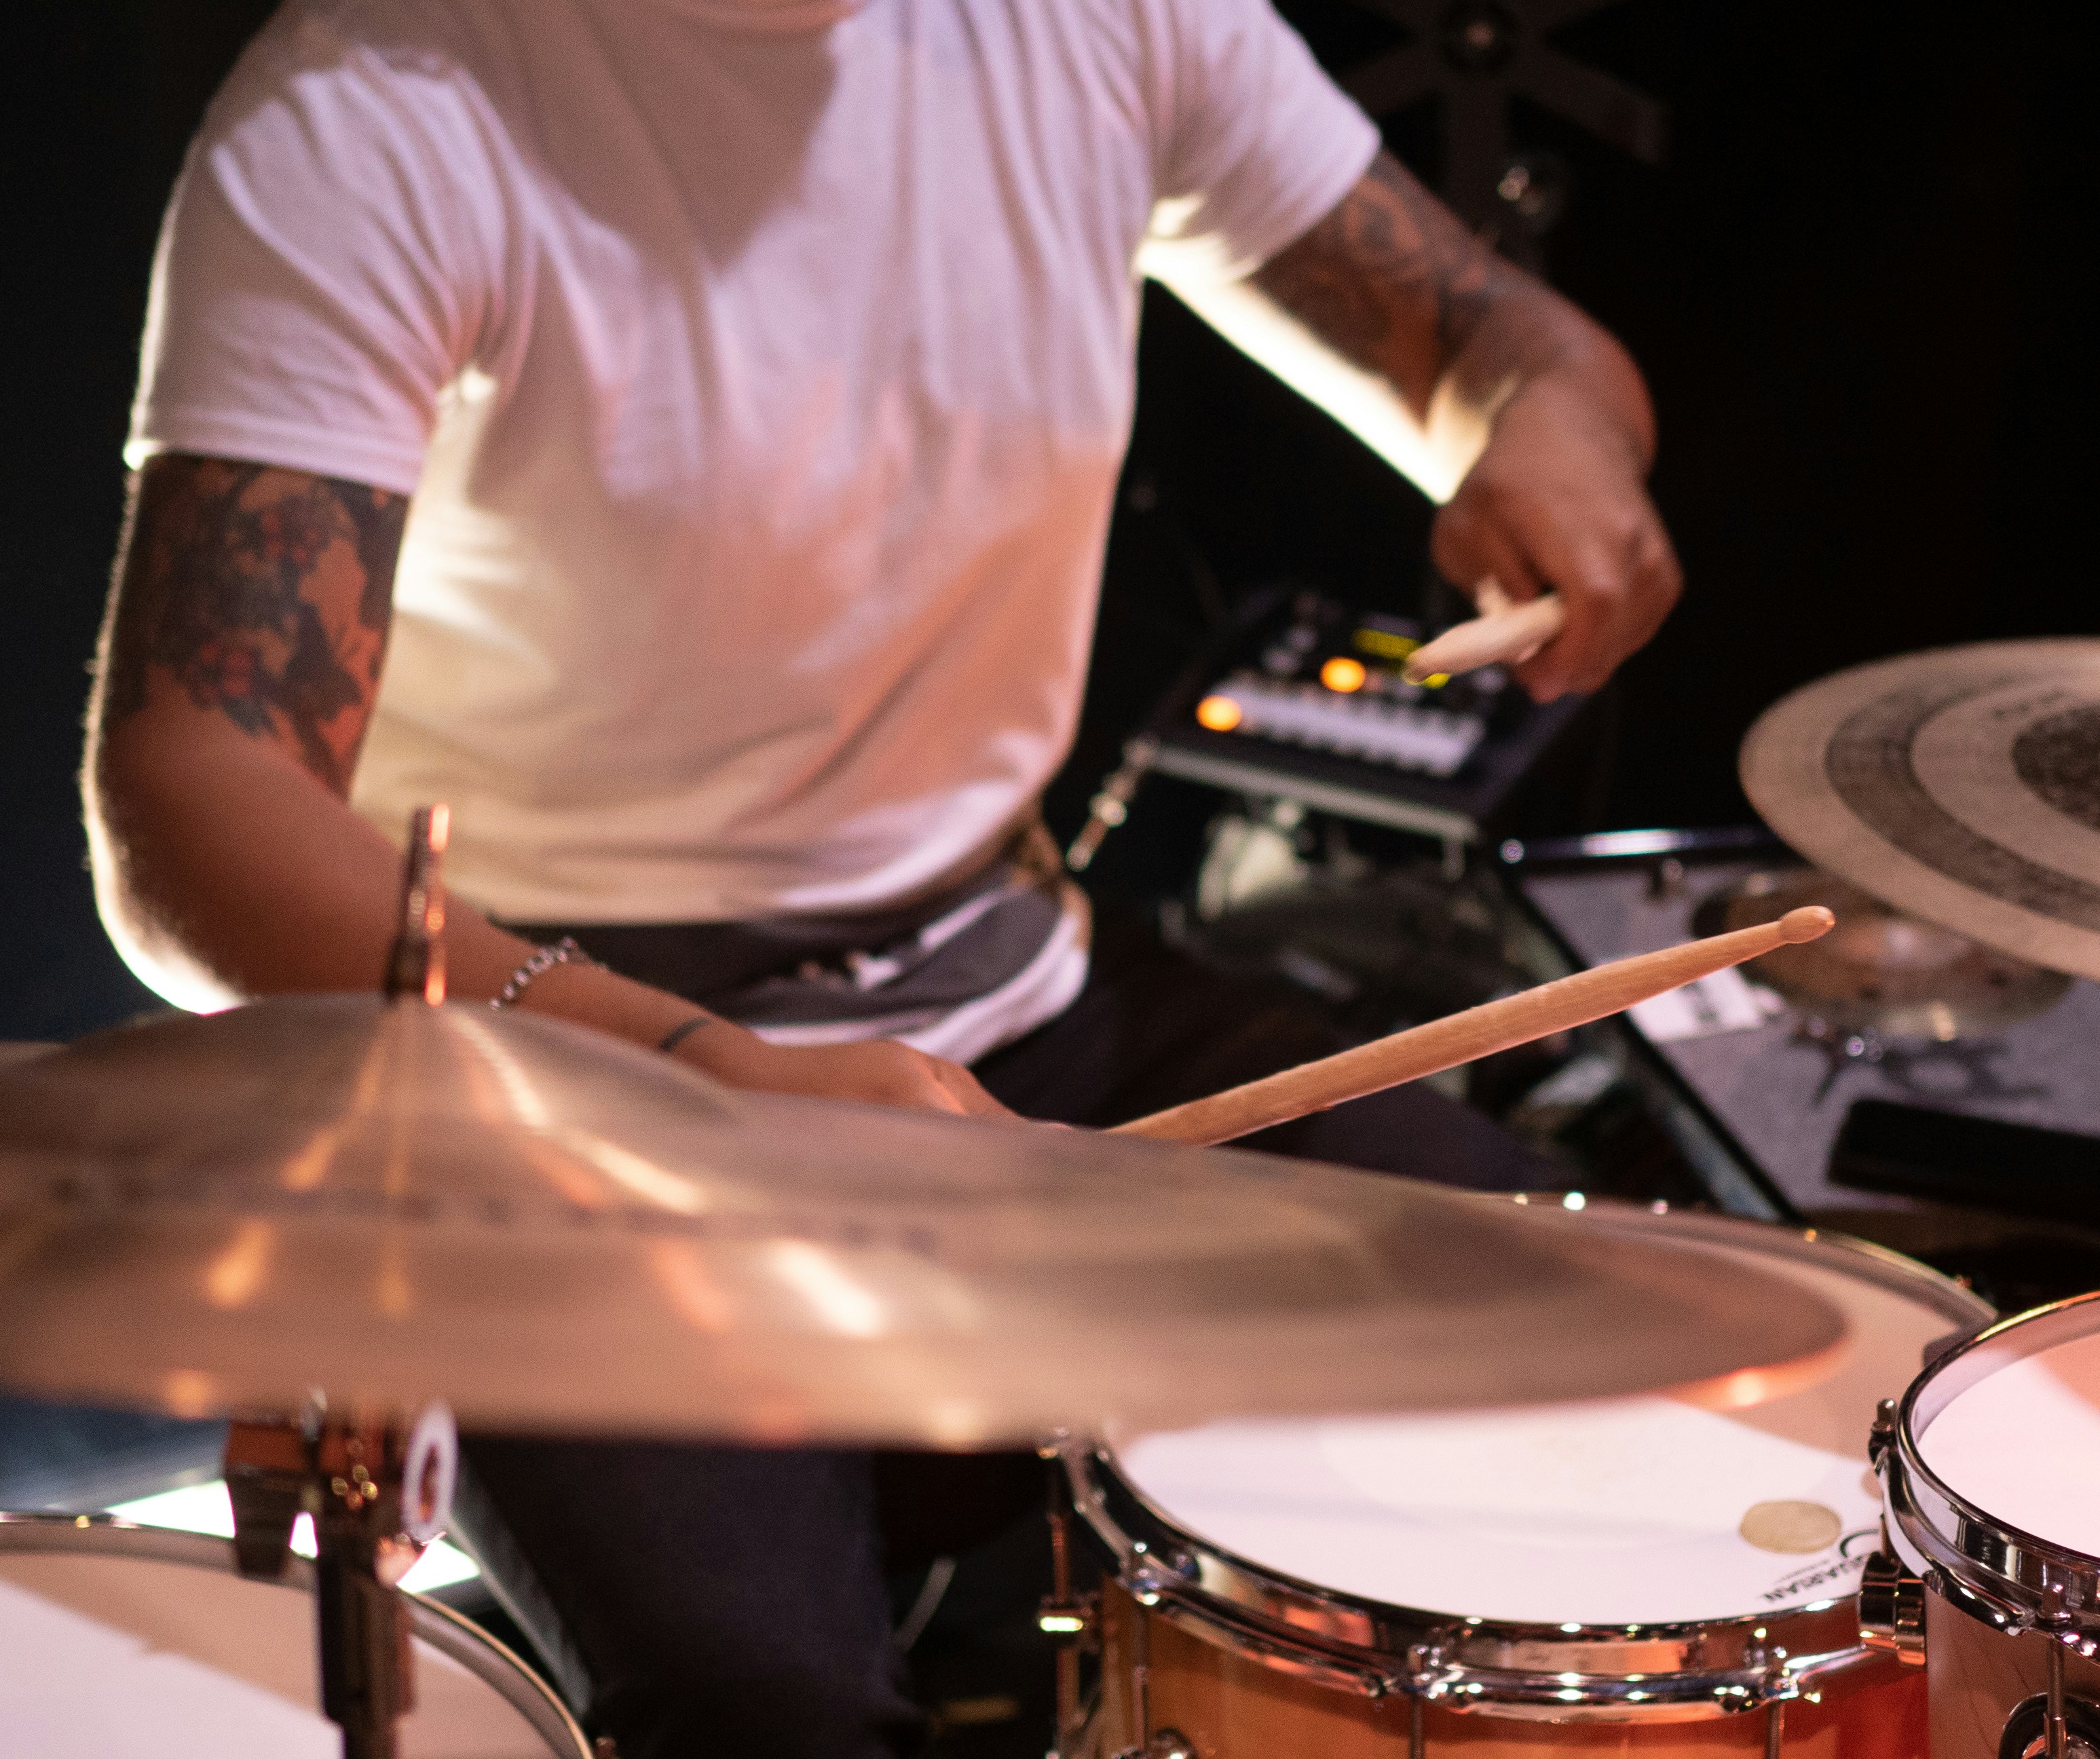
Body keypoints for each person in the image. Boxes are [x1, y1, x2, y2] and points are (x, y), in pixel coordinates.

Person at [86, 0, 1681, 1749]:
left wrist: (1545, 421)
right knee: (767, 1711)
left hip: (1007, 989)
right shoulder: (376, 105)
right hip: (546, 1075)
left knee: (1580, 1363)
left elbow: (1497, 340)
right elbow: (192, 810)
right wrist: (701, 1074)